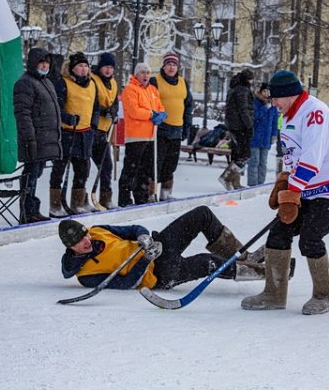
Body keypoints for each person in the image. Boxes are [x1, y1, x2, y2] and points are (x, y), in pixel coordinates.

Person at [241, 70, 329, 315]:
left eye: (275, 98)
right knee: (279, 232)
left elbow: (312, 159)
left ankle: (324, 295)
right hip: (306, 187)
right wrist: (285, 180)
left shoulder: (315, 113)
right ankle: (274, 294)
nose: (273, 103)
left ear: (289, 95)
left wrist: (293, 192)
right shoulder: (288, 116)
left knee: (311, 238)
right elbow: (293, 156)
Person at [59, 206, 275, 290]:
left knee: (202, 214)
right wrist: (144, 260)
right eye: (80, 242)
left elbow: (132, 229)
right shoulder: (86, 275)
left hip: (157, 246)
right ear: (70, 247)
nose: (86, 240)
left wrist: (142, 235)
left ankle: (246, 257)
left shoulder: (97, 230)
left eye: (84, 234)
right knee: (205, 262)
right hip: (158, 275)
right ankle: (266, 273)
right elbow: (126, 283)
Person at [13, 48, 62, 224]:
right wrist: (29, 139)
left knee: (36, 173)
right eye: (41, 62)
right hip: (34, 139)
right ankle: (27, 211)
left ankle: (32, 209)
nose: (44, 66)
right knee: (30, 174)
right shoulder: (26, 83)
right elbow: (23, 113)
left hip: (45, 139)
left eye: (47, 63)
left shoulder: (46, 82)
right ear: (34, 63)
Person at [49, 52, 98, 217]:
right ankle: (55, 204)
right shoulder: (64, 83)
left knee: (82, 169)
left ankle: (77, 203)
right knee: (60, 169)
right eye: (80, 66)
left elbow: (95, 106)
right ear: (72, 69)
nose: (83, 69)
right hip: (68, 132)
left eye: (85, 66)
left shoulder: (92, 84)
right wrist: (68, 118)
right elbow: (56, 107)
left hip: (85, 133)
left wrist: (94, 123)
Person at [118, 62, 166, 206]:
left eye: (147, 72)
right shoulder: (130, 89)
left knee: (145, 170)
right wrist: (151, 114)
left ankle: (141, 197)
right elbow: (134, 111)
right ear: (136, 74)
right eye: (142, 72)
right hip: (135, 136)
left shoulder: (152, 90)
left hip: (151, 136)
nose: (145, 75)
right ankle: (124, 198)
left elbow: (160, 106)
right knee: (131, 168)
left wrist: (162, 114)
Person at [149, 53, 193, 201]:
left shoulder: (182, 82)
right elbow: (149, 101)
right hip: (161, 128)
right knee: (156, 163)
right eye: (168, 64)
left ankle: (166, 193)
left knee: (171, 164)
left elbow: (188, 105)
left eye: (174, 64)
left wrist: (187, 125)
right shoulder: (156, 81)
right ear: (163, 65)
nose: (171, 67)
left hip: (177, 128)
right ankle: (150, 193)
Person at [91, 52, 120, 209]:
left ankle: (105, 197)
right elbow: (91, 102)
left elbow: (115, 102)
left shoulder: (113, 83)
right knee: (84, 167)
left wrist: (113, 111)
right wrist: (103, 111)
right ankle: (79, 199)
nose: (108, 70)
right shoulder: (93, 80)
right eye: (106, 67)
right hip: (91, 128)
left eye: (111, 67)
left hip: (104, 130)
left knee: (106, 165)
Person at [219, 68, 254, 190]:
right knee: (244, 154)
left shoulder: (234, 88)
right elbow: (244, 110)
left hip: (233, 125)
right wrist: (249, 126)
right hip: (240, 127)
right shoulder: (243, 90)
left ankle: (235, 182)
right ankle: (227, 177)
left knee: (237, 154)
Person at [248, 82, 279, 186]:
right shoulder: (255, 103)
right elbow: (255, 116)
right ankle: (252, 185)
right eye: (264, 91)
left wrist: (274, 135)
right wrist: (265, 107)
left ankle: (260, 184)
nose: (266, 94)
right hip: (255, 137)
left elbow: (275, 121)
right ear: (260, 92)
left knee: (263, 163)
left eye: (268, 91)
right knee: (254, 161)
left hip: (266, 138)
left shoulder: (273, 105)